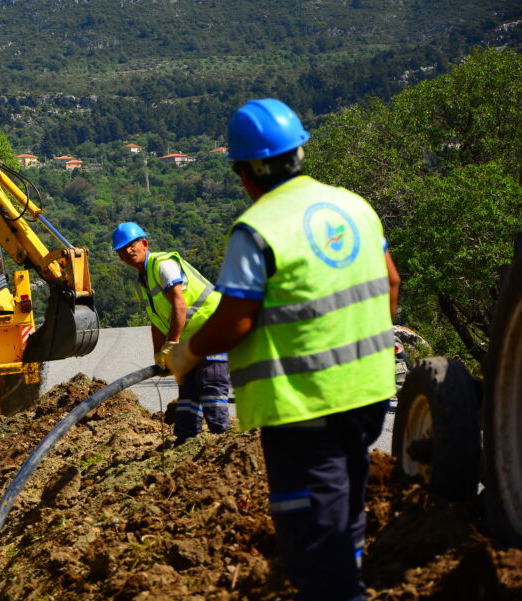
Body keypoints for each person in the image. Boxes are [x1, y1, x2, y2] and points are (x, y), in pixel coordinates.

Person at [164, 98, 401, 601]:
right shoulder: (353, 206)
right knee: (345, 515)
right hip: (369, 394)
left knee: (312, 536)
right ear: (299, 153)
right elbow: (391, 283)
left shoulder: (257, 229)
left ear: (245, 171)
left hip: (304, 407)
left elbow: (236, 320)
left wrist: (189, 352)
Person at [111, 221, 231, 445]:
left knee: (210, 385)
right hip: (190, 340)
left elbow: (179, 305)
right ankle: (186, 442)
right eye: (121, 249)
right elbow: (156, 320)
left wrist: (172, 343)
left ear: (144, 244)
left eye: (131, 245)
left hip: (213, 329)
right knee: (188, 393)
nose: (127, 251)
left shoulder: (163, 265)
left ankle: (222, 442)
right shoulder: (141, 282)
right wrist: (160, 354)